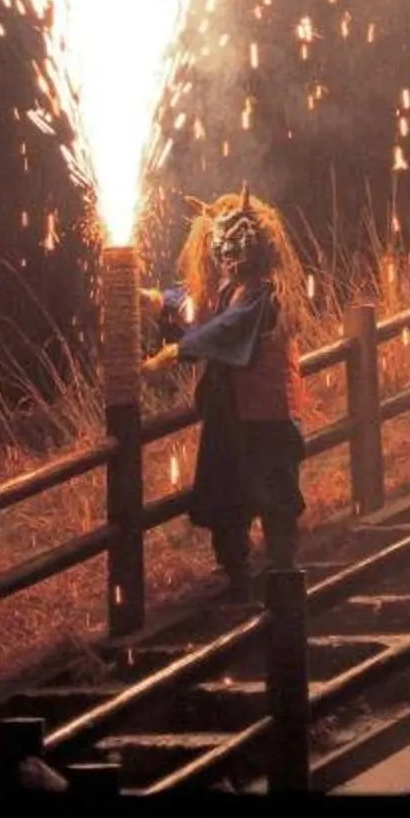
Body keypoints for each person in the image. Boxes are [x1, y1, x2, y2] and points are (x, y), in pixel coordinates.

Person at [141, 192, 309, 602]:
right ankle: (236, 576)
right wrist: (158, 301)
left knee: (275, 496)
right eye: (224, 249)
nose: (227, 258)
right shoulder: (227, 288)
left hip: (267, 412)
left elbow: (226, 328)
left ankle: (283, 578)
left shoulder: (266, 294)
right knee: (227, 495)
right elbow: (195, 305)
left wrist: (176, 351)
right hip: (230, 414)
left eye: (235, 248)